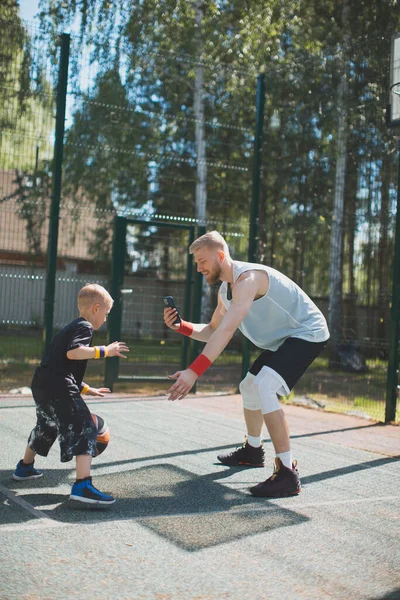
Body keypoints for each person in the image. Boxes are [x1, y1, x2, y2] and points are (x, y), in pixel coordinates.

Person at [164, 231, 329, 498]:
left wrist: (194, 371)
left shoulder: (248, 279)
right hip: (283, 340)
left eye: (202, 261)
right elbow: (211, 330)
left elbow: (227, 331)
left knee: (264, 385)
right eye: (196, 262)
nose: (199, 268)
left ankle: (287, 473)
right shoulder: (225, 291)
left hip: (307, 332)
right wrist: (180, 326)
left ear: (220, 256)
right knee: (249, 385)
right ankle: (253, 451)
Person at [12, 284, 129, 506]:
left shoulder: (70, 327)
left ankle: (25, 467)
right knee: (85, 425)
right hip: (57, 386)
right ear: (96, 308)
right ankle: (83, 485)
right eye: (106, 313)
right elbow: (73, 353)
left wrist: (86, 389)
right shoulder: (85, 327)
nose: (105, 318)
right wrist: (106, 350)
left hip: (42, 384)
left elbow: (61, 365)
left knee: (46, 425)